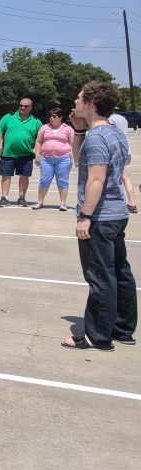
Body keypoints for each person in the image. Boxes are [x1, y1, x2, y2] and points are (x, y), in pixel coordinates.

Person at [62, 81, 136, 351]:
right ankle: (123, 328)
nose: (76, 103)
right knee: (120, 271)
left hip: (101, 217)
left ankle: (97, 335)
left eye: (80, 99)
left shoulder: (97, 138)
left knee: (99, 276)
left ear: (91, 104)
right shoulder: (114, 132)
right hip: (116, 214)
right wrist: (79, 129)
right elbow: (82, 159)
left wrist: (85, 216)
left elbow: (95, 178)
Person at [0, 97, 42, 207]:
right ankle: (4, 197)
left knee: (24, 176)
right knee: (6, 175)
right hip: (8, 153)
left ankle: (22, 198)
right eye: (21, 105)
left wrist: (38, 153)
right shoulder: (8, 117)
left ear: (31, 107)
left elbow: (40, 139)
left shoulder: (36, 121)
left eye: (26, 106)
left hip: (26, 154)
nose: (23, 107)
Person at [32, 108, 75, 211]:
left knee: (62, 181)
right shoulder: (44, 128)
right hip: (46, 159)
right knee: (44, 180)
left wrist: (73, 157)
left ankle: (63, 203)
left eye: (54, 116)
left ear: (60, 117)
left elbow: (73, 144)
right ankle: (40, 202)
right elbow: (38, 142)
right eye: (50, 116)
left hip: (64, 159)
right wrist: (37, 155)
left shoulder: (68, 129)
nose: (51, 118)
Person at [109, 108, 137, 214]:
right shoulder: (123, 119)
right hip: (126, 150)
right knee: (126, 177)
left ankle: (116, 203)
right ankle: (132, 203)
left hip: (115, 151)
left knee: (113, 178)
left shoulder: (109, 119)